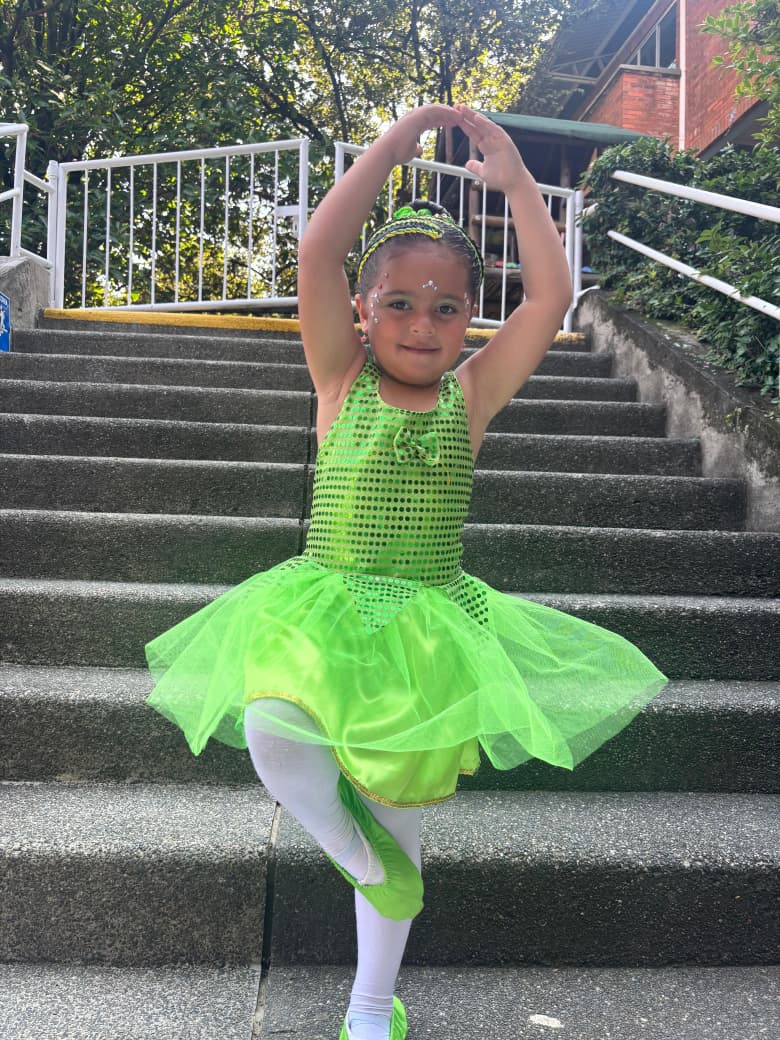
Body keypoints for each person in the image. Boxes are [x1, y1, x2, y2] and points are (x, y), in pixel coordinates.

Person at [144, 104, 668, 1040]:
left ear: (470, 319)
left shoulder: (473, 394)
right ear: (362, 310)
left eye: (446, 308)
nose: (422, 324)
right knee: (271, 729)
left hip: (426, 629)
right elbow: (318, 251)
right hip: (323, 604)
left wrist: (517, 181)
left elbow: (549, 298)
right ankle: (353, 849)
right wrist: (389, 149)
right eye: (398, 303)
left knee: (402, 814)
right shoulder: (338, 378)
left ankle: (369, 1007)